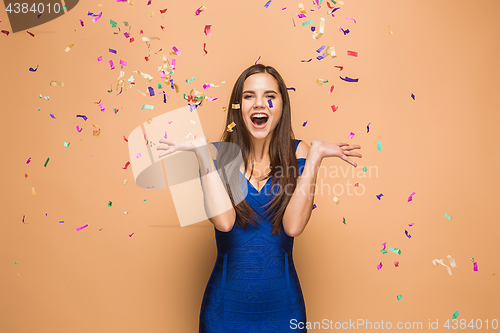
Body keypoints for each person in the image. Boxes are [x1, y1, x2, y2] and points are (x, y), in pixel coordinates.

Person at [157, 64, 362, 332]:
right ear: (237, 106)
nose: (259, 104)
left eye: (270, 96)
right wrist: (202, 154)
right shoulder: (214, 154)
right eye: (249, 96)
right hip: (224, 310)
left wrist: (315, 157)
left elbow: (293, 227)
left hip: (284, 308)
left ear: (281, 106)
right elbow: (225, 222)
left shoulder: (298, 151)